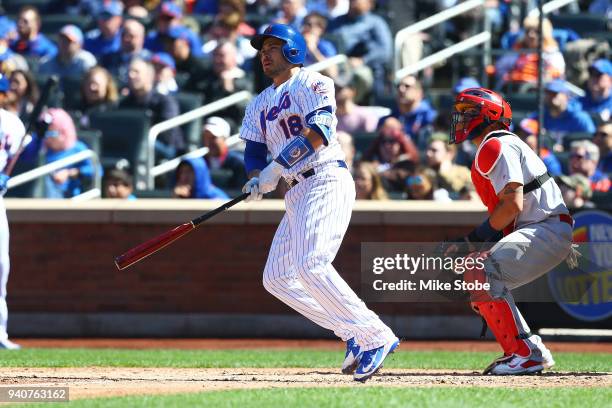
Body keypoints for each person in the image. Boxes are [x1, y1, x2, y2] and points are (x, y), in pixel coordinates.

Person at [240, 23, 398, 382]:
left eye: (273, 47)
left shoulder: (313, 82)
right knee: (278, 278)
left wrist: (275, 168)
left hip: (324, 176)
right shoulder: (259, 102)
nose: (264, 54)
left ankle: (375, 335)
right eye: (261, 49)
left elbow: (321, 131)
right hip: (295, 190)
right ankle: (353, 333)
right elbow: (252, 149)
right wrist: (254, 177)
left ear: (293, 50)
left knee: (311, 263)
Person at [441, 87, 574, 375]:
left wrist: (471, 239)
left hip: (545, 228)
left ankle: (523, 353)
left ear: (489, 115)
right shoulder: (497, 144)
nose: (460, 119)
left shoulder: (494, 144)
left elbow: (512, 204)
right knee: (478, 275)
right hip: (545, 228)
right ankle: (529, 350)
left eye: (468, 113)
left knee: (479, 270)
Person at [119, 58, 185, 160]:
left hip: (166, 149)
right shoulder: (125, 103)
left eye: (136, 72)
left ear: (149, 76)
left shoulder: (165, 102)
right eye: (129, 72)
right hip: (135, 149)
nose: (131, 75)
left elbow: (166, 135)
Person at [0, 103, 26, 349]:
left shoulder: (11, 123)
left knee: (0, 265)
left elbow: (22, 155)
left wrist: (38, 135)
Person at [40, 108, 97, 198]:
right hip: (40, 197)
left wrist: (69, 173)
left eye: (52, 133)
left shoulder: (77, 148)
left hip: (68, 199)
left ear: (63, 131)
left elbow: (96, 170)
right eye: (46, 133)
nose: (48, 137)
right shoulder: (40, 148)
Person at [538, 79, 595, 149]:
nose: (551, 97)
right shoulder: (540, 116)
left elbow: (592, 142)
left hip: (573, 157)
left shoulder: (580, 118)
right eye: (548, 93)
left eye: (555, 93)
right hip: (547, 157)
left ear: (566, 96)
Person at [387, 74, 437, 149]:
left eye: (407, 86)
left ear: (419, 92)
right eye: (398, 86)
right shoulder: (391, 118)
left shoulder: (431, 117)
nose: (401, 89)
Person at [202, 116, 247, 190]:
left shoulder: (239, 164)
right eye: (206, 137)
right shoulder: (200, 163)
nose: (209, 142)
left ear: (225, 138)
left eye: (213, 137)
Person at [425, 132, 473, 200]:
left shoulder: (463, 172)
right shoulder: (426, 173)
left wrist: (444, 173)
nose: (428, 154)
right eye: (428, 150)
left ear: (449, 153)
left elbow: (471, 195)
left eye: (434, 150)